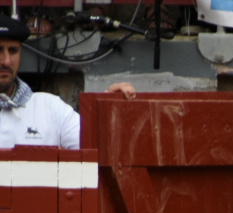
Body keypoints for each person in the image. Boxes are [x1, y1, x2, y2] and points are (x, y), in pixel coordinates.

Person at [1, 14, 135, 151]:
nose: (6, 61)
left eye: (13, 50)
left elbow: (98, 149)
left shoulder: (51, 108)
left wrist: (112, 111)